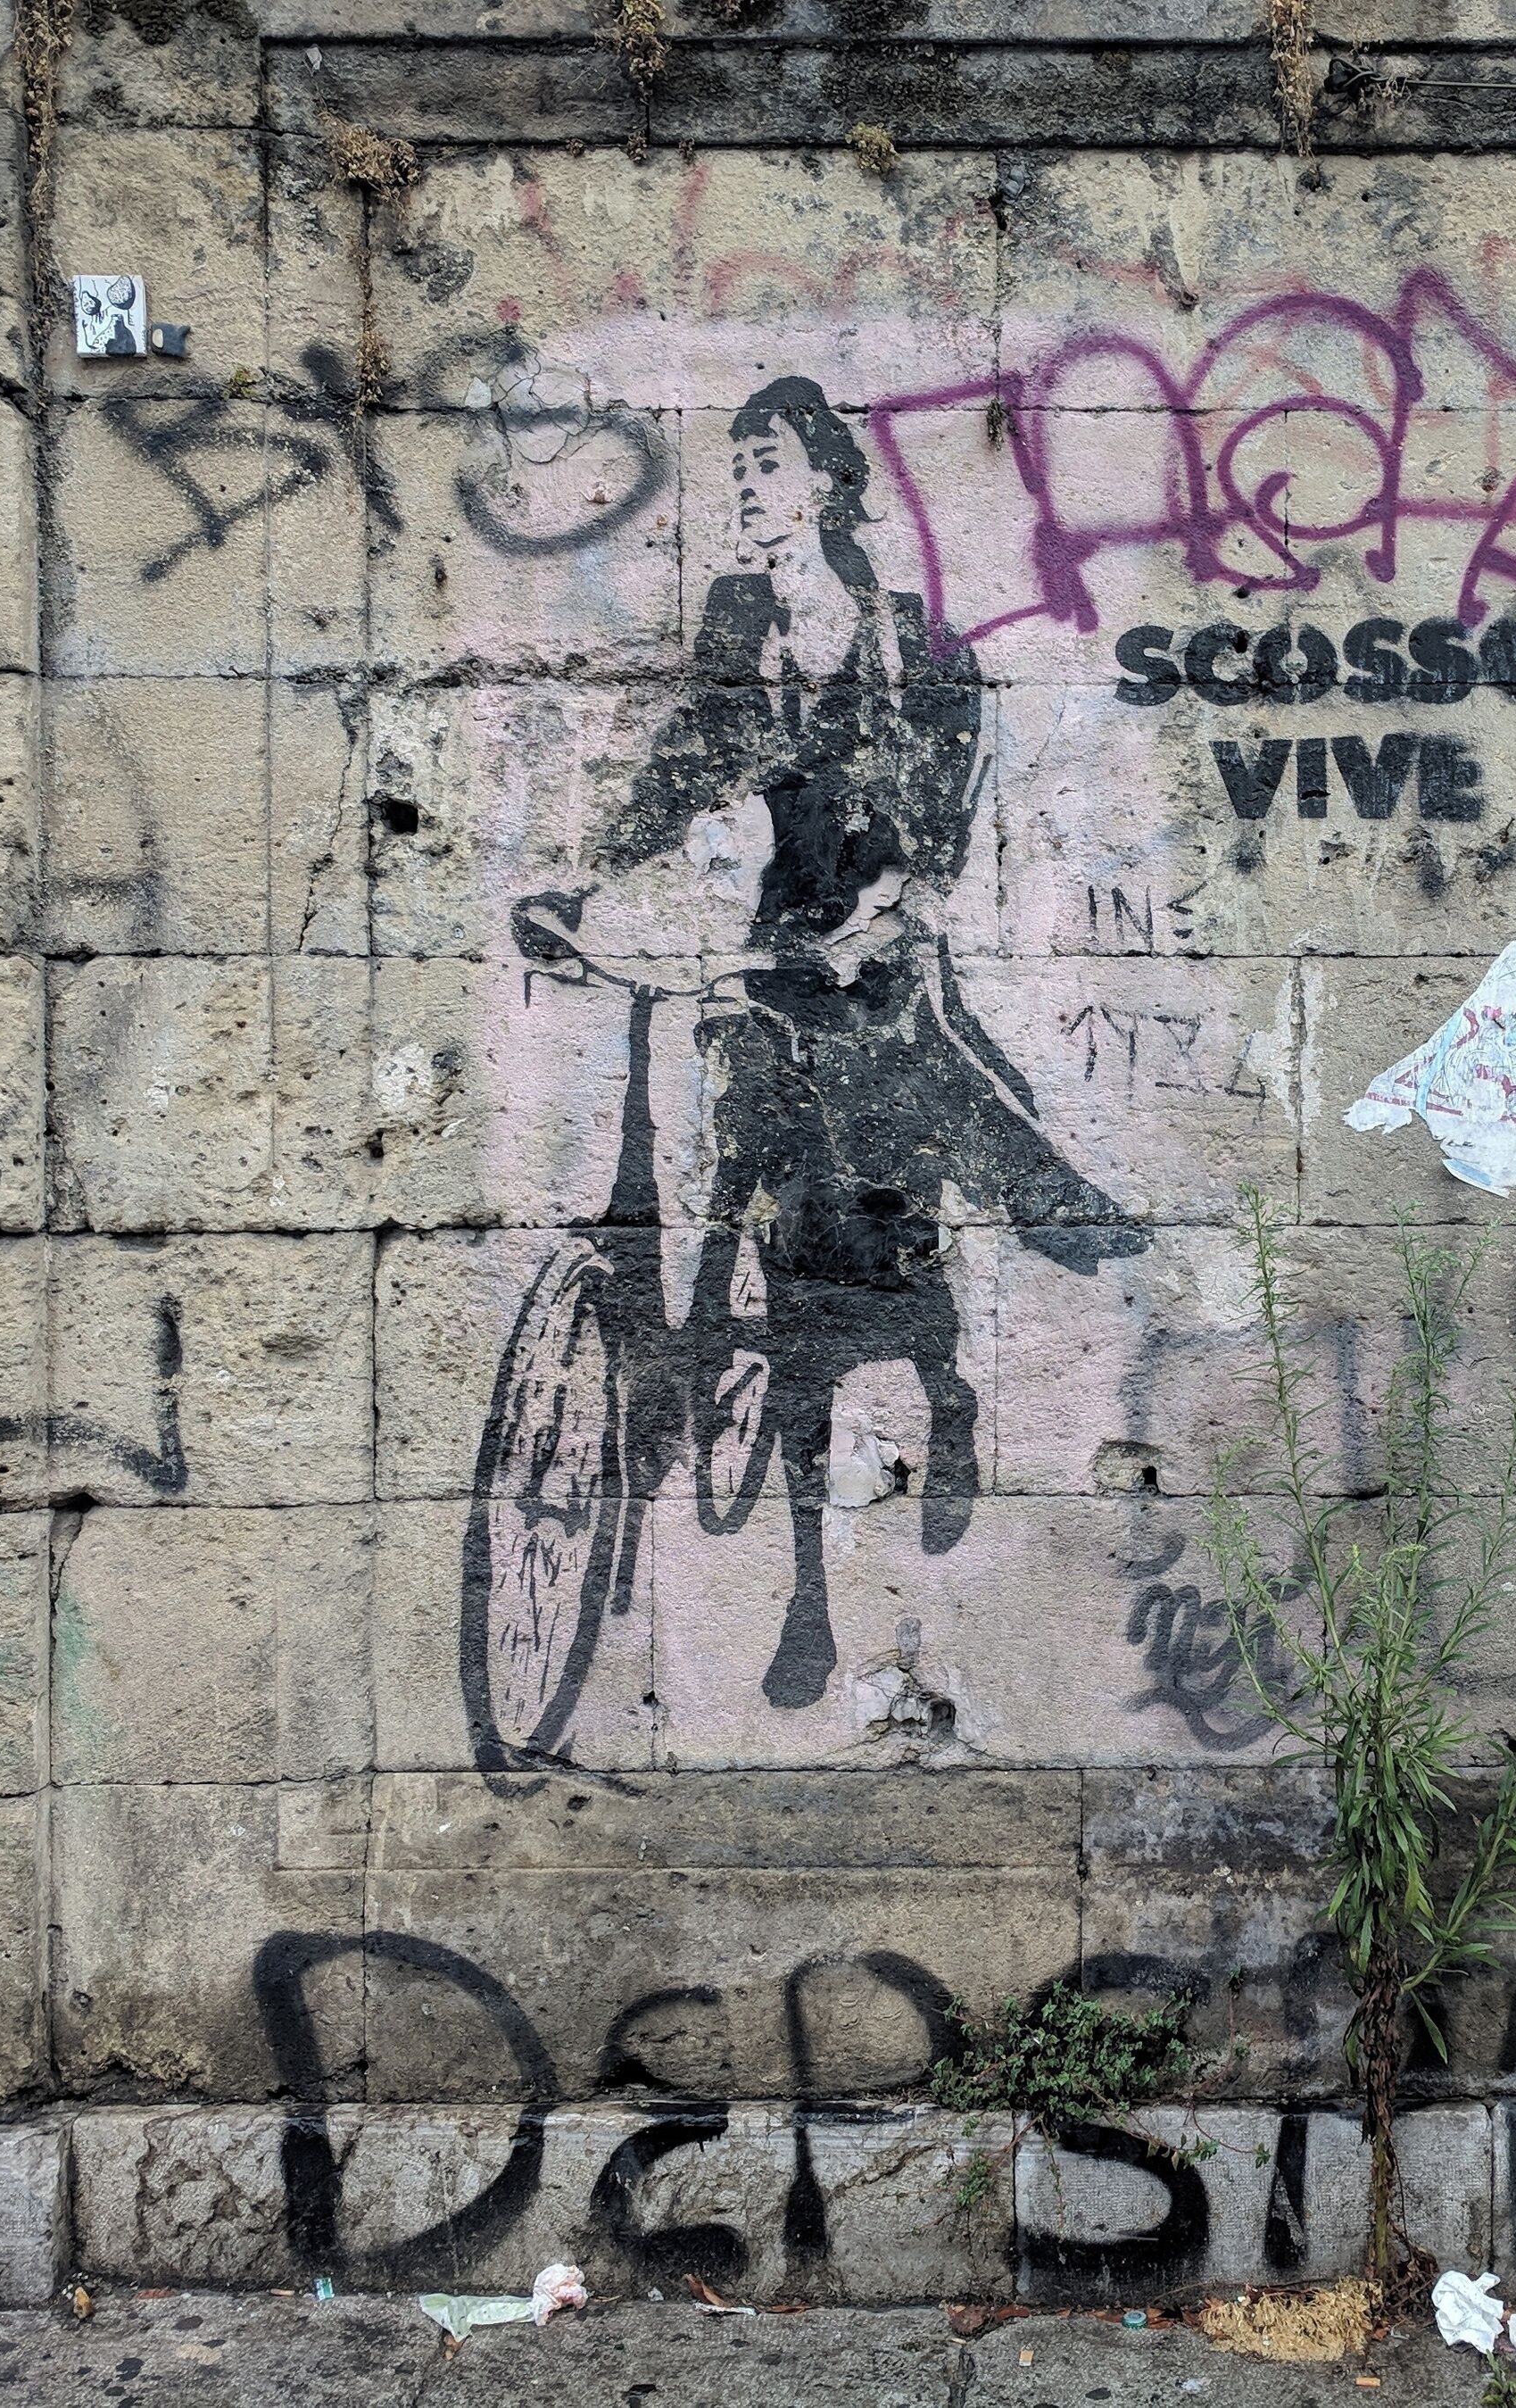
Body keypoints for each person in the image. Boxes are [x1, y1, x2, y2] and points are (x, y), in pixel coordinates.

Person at [490, 374, 1141, 1722]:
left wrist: (866, 925)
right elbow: (677, 776)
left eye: (768, 461)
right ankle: (800, 1590)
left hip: (868, 977)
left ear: (831, 485)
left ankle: (952, 1388)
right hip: (757, 975)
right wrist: (595, 894)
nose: (742, 483)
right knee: (778, 1272)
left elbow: (936, 844)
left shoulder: (911, 645)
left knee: (886, 1233)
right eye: (734, 463)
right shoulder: (739, 630)